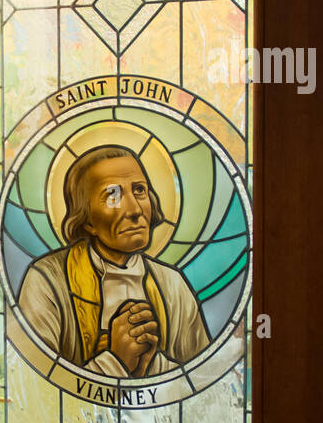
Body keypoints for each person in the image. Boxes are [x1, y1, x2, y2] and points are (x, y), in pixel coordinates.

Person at [17, 145, 210, 377]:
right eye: (113, 195)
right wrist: (115, 361)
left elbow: (200, 382)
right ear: (86, 220)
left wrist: (152, 364)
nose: (135, 209)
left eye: (139, 190)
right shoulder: (48, 280)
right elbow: (33, 388)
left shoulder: (171, 284)